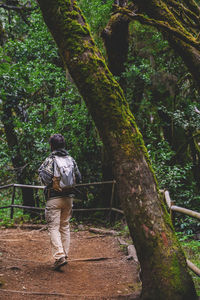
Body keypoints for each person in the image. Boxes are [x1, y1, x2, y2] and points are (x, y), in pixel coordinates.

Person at [38, 134, 81, 270]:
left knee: (53, 228)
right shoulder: (71, 159)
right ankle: (64, 254)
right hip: (69, 198)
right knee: (65, 226)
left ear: (51, 145)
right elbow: (78, 178)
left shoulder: (50, 160)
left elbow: (44, 177)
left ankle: (59, 256)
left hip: (54, 198)